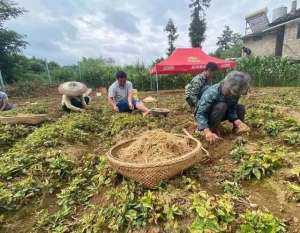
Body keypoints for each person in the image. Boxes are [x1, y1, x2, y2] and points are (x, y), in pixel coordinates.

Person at [195, 71, 251, 143]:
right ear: (225, 84)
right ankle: (212, 130)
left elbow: (232, 108)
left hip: (221, 113)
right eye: (229, 92)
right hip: (208, 115)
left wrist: (237, 121)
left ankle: (237, 130)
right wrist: (207, 131)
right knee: (222, 105)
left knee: (240, 108)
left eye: (234, 93)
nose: (231, 95)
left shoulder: (235, 92)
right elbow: (200, 114)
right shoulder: (212, 92)